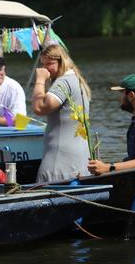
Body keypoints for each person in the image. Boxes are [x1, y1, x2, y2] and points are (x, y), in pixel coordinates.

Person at [32, 44, 91, 182]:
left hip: (60, 160)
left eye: (49, 64)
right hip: (79, 159)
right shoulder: (76, 79)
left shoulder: (63, 82)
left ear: (61, 61)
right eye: (43, 64)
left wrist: (40, 81)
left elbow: (40, 108)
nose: (45, 68)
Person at [88, 74, 135, 175]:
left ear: (131, 95)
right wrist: (104, 166)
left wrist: (109, 167)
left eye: (122, 93)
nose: (120, 98)